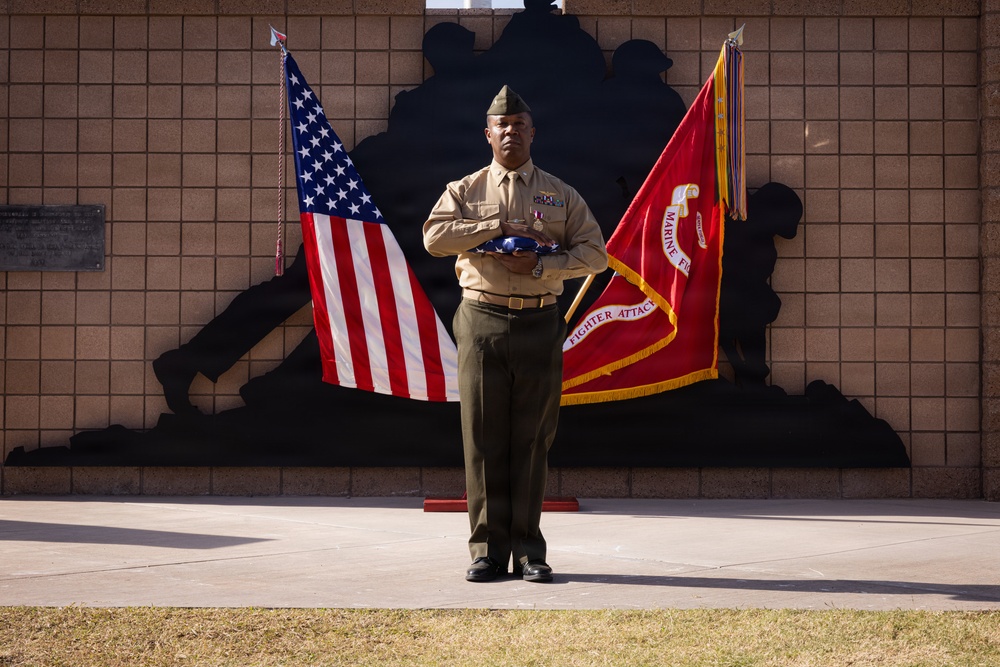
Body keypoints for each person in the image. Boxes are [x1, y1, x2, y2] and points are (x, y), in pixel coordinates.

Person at [423, 85, 608, 583]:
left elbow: (596, 254)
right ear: (488, 134)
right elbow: (434, 238)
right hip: (482, 321)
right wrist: (493, 225)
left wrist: (543, 264)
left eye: (519, 126)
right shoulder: (465, 190)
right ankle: (485, 549)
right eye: (501, 126)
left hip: (540, 319)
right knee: (483, 439)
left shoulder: (560, 194)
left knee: (532, 440)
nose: (510, 132)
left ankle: (529, 550)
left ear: (532, 133)